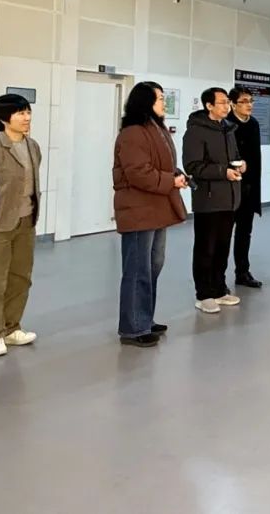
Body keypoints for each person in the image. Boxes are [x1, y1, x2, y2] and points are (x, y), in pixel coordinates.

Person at [112, 82, 188, 347]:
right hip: (139, 209)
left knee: (153, 265)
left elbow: (160, 164)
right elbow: (138, 173)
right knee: (137, 269)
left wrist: (176, 175)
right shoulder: (133, 133)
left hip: (155, 207)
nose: (164, 103)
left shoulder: (155, 128)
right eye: (159, 98)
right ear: (145, 102)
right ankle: (133, 327)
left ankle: (144, 318)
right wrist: (170, 181)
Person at [0, 94, 42, 357]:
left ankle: (11, 327)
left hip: (26, 221)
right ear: (4, 118)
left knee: (20, 278)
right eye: (20, 113)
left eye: (28, 112)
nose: (26, 118)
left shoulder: (32, 146)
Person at [183, 87, 244, 314]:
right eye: (222, 102)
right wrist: (223, 172)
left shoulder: (228, 129)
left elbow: (233, 157)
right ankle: (204, 294)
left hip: (229, 198)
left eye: (228, 102)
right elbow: (193, 166)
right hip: (208, 199)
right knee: (205, 248)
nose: (227, 106)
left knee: (222, 246)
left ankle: (219, 289)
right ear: (209, 105)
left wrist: (240, 164)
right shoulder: (196, 131)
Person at [228, 87, 263, 289]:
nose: (249, 105)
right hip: (229, 186)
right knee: (224, 233)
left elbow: (256, 158)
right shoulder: (227, 124)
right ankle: (218, 277)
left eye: (250, 101)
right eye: (243, 101)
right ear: (233, 104)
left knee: (244, 232)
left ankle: (242, 272)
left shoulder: (254, 124)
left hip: (249, 187)